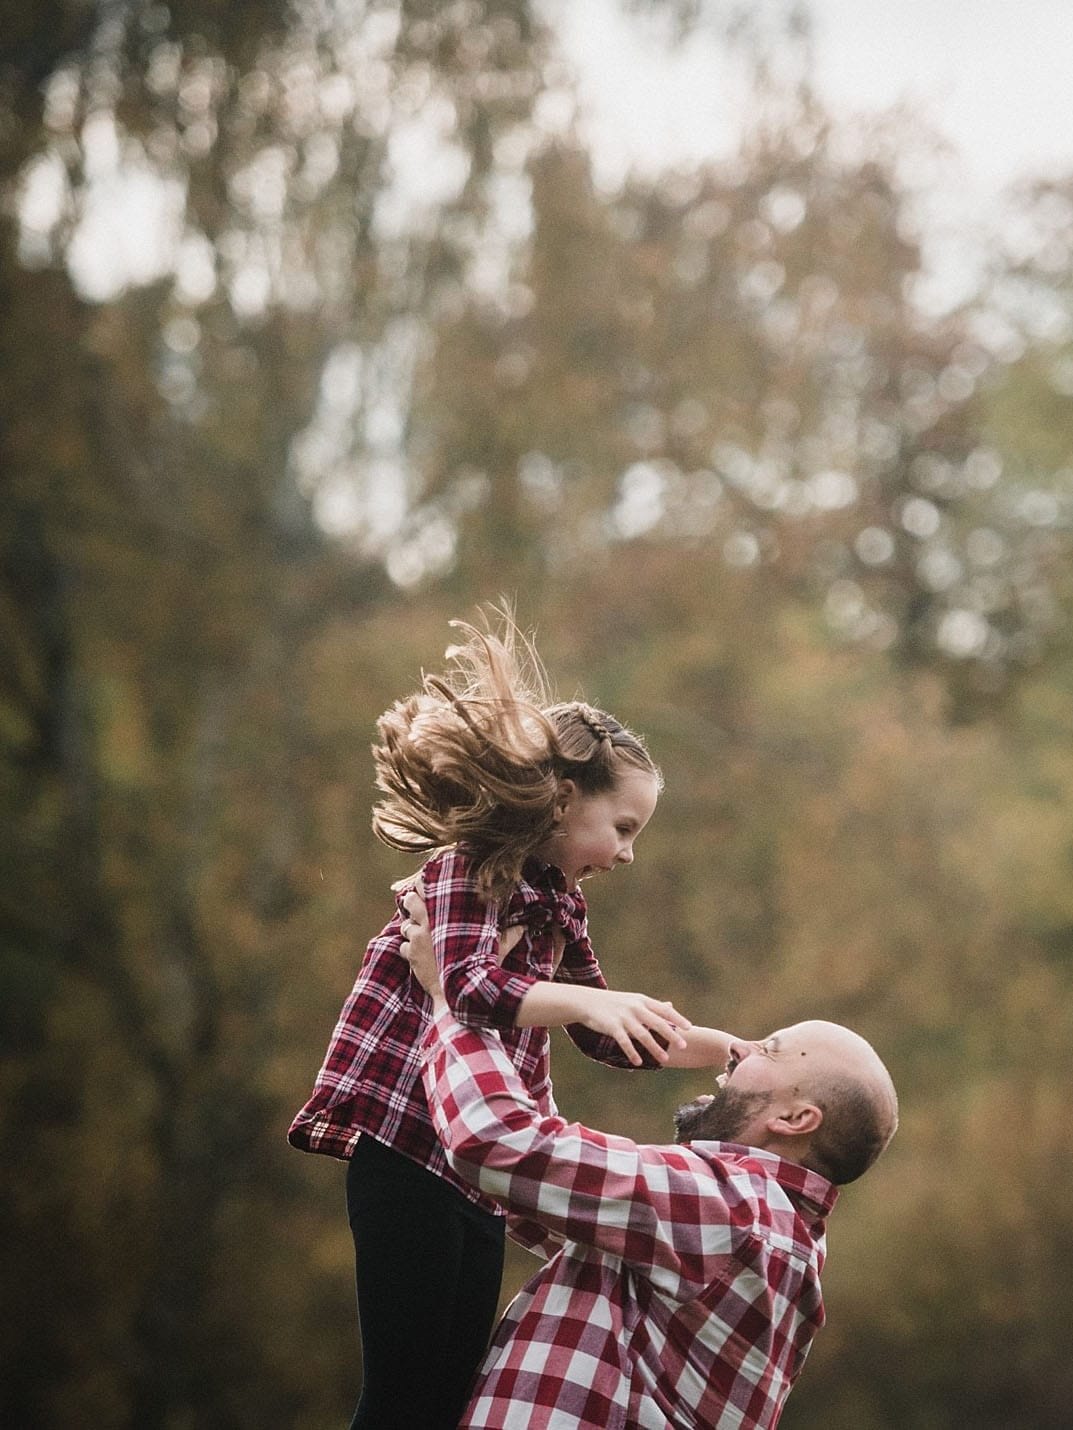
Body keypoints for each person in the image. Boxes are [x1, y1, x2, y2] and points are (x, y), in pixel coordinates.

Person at [288, 609, 730, 1429]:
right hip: (405, 1151)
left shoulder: (561, 904)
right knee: (400, 1394)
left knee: (450, 1398)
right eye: (623, 828)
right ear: (563, 802)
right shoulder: (467, 873)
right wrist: (588, 998)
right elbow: (466, 985)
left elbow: (604, 1034)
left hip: (478, 1169)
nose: (628, 853)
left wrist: (726, 1051)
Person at [400, 889, 899, 1430]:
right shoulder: (776, 1235)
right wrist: (522, 1004)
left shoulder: (735, 1211)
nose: (738, 1050)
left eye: (769, 1051)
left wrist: (452, 1000)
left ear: (795, 1120)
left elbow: (499, 1142)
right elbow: (546, 1185)